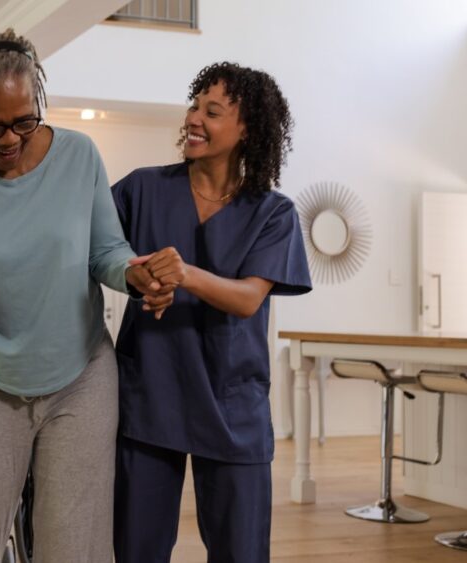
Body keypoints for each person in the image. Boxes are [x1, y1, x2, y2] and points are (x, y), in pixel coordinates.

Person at [0, 29, 171, 563]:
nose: (9, 139)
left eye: (24, 121)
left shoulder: (79, 156)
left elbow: (106, 252)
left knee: (72, 546)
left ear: (38, 103)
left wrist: (134, 275)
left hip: (81, 379)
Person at [111, 62, 312, 563]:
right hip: (151, 394)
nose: (194, 118)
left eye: (213, 111)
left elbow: (248, 298)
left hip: (231, 404)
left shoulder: (273, 213)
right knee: (136, 549)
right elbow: (98, 254)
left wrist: (184, 274)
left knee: (241, 553)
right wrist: (137, 279)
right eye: (195, 105)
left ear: (247, 129)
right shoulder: (142, 188)